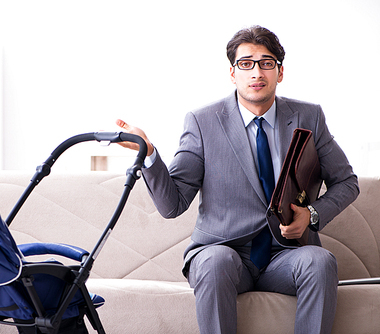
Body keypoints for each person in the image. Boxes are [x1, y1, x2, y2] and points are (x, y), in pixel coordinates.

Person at [116, 25, 359, 334]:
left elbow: (347, 182)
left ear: (279, 72)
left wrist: (311, 216)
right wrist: (148, 153)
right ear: (232, 73)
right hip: (223, 252)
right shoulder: (202, 122)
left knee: (320, 261)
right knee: (215, 261)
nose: (256, 72)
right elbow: (172, 205)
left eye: (266, 62)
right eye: (246, 63)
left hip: (286, 255)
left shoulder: (308, 117)